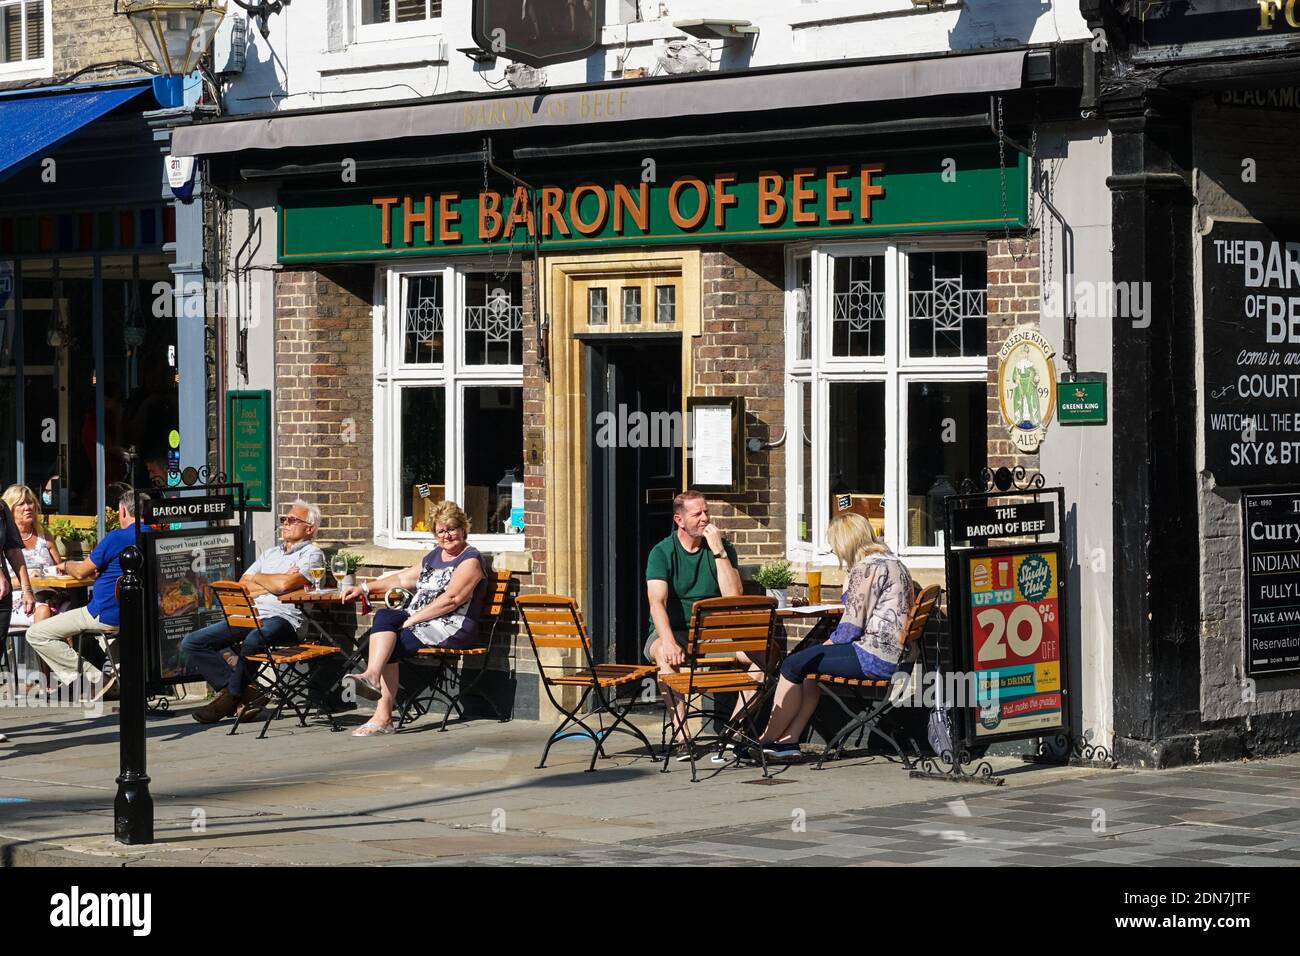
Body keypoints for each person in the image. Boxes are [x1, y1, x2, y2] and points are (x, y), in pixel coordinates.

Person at [756, 512, 916, 760]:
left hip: (873, 656)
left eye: (833, 543)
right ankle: (788, 741)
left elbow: (849, 630)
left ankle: (765, 740)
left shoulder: (866, 568)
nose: (833, 549)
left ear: (844, 542)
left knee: (793, 662)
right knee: (808, 671)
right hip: (896, 656)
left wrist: (826, 645)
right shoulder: (893, 562)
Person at [340, 500, 486, 738]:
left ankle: (382, 716)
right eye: (441, 531)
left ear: (463, 528)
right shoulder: (434, 556)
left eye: (452, 528)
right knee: (385, 615)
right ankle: (372, 675)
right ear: (435, 534)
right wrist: (364, 588)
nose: (447, 535)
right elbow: (404, 578)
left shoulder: (470, 559)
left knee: (393, 644)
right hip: (421, 617)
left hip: (451, 623)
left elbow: (452, 599)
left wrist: (413, 619)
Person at [182, 499, 325, 724]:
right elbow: (244, 585)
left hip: (285, 619)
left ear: (310, 528)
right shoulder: (270, 554)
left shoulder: (312, 555)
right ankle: (245, 691)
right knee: (192, 642)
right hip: (251, 614)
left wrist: (262, 579)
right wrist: (273, 581)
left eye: (292, 520)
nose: (285, 523)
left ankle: (230, 697)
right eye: (284, 520)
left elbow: (284, 586)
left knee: (254, 637)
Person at [645, 490, 745, 755]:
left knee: (762, 658)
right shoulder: (662, 552)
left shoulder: (722, 550)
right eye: (697, 514)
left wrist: (719, 552)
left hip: (711, 635)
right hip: (672, 631)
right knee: (665, 657)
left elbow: (734, 597)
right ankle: (682, 737)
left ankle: (733, 731)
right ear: (679, 520)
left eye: (706, 512)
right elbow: (657, 602)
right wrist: (667, 641)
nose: (704, 518)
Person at [25, 482, 137, 696]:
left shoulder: (117, 537)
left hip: (105, 614)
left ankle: (94, 679)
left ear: (122, 511)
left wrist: (65, 565)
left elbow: (80, 572)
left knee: (37, 633)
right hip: (141, 614)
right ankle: (116, 679)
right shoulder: (155, 535)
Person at [2, 484, 65, 628]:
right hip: (16, 597)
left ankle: (71, 651)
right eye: (21, 504)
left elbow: (59, 568)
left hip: (48, 594)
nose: (27, 507)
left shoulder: (44, 534)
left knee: (74, 612)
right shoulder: (4, 538)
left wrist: (59, 571)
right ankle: (45, 650)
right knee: (44, 610)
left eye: (30, 502)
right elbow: (3, 585)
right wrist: (28, 580)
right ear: (10, 509)